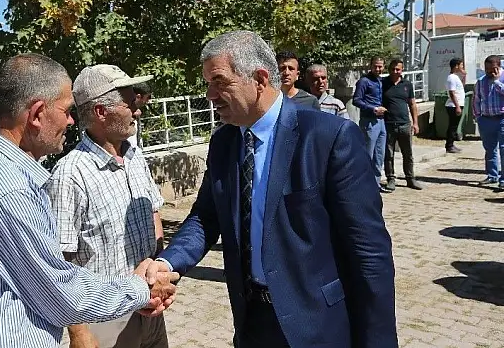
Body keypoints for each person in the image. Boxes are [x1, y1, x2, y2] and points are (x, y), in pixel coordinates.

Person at [143, 31, 398, 348]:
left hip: (317, 325)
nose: (210, 94)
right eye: (207, 83)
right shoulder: (224, 142)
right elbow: (205, 218)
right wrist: (167, 263)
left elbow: (369, 253)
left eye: (218, 81)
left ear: (260, 79)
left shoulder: (328, 137)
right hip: (252, 321)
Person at [0, 54, 177, 348]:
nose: (71, 120)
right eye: (67, 111)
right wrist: (139, 288)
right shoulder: (12, 191)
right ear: (37, 114)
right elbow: (62, 293)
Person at [45, 65, 168, 348]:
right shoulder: (71, 174)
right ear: (101, 112)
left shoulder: (136, 157)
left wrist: (159, 276)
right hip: (105, 321)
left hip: (150, 310)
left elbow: (154, 213)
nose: (137, 109)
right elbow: (58, 262)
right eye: (129, 102)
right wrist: (78, 331)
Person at [381, 59, 423, 191]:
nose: (395, 71)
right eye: (392, 69)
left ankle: (410, 179)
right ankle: (391, 179)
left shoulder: (407, 85)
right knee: (389, 154)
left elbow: (412, 104)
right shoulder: (383, 84)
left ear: (402, 70)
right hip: (388, 124)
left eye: (397, 69)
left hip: (405, 124)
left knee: (408, 153)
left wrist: (415, 123)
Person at [353, 56, 390, 193]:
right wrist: (373, 108)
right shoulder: (364, 81)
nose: (378, 69)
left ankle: (376, 184)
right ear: (371, 65)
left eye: (380, 66)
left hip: (381, 121)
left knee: (379, 155)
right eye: (375, 66)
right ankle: (364, 185)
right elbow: (356, 100)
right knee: (368, 154)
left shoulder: (381, 81)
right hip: (369, 121)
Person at [473, 54, 504, 189]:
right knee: (490, 149)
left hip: (502, 118)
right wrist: (477, 116)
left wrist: (497, 81)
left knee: (503, 149)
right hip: (486, 120)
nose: (489, 72)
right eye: (486, 69)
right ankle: (492, 176)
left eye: (492, 69)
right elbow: (476, 99)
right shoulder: (481, 81)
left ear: (498, 67)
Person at [445, 58, 466, 154]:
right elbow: (452, 93)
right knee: (453, 126)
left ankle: (451, 144)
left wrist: (464, 75)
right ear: (456, 66)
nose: (462, 67)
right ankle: (449, 145)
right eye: (461, 65)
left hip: (458, 104)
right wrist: (457, 106)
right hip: (453, 106)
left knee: (455, 126)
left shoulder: (456, 77)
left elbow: (462, 87)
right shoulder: (451, 78)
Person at [128, 81, 153, 147]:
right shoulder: (125, 113)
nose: (148, 101)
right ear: (138, 97)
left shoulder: (136, 112)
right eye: (147, 97)